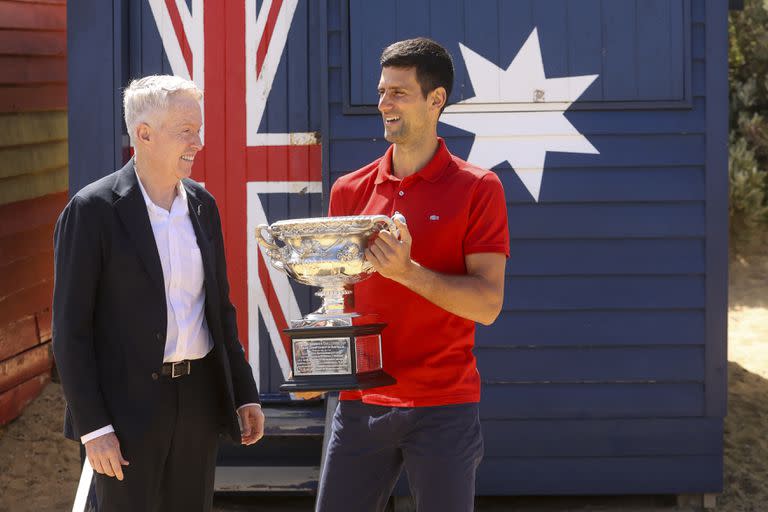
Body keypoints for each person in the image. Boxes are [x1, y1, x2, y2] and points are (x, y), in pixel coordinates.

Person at [52, 75, 265, 511]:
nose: (199, 141)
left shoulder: (203, 206)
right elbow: (70, 331)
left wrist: (243, 392)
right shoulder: (92, 211)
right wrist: (94, 428)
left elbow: (219, 311)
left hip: (199, 403)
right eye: (186, 130)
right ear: (143, 134)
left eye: (198, 129)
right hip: (125, 412)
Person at [314, 38, 509, 512]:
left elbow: (487, 305)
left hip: (444, 406)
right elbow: (339, 294)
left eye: (398, 93)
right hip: (361, 405)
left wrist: (408, 273)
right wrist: (323, 351)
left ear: (435, 99)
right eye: (382, 92)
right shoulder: (349, 190)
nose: (384, 103)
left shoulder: (479, 188)